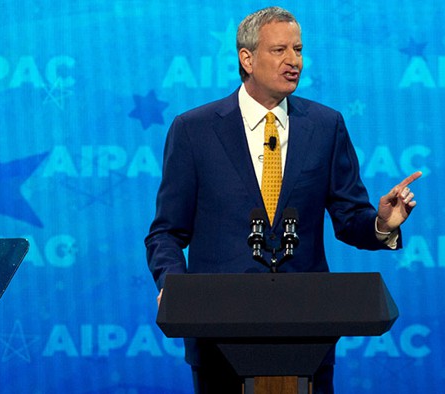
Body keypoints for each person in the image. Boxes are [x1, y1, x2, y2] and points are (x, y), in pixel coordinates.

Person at [145, 6, 421, 394]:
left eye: (299, 49)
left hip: (307, 333)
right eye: (280, 51)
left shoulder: (326, 126)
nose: (294, 61)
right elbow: (166, 233)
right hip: (219, 331)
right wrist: (174, 289)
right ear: (247, 58)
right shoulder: (194, 130)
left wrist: (380, 224)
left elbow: (348, 216)